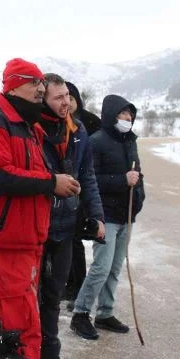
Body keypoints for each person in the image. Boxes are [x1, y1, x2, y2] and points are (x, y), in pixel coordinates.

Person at [0, 58, 81, 359]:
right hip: (7, 239)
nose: (41, 88)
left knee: (14, 317)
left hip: (27, 237)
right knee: (22, 322)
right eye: (34, 82)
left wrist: (58, 181)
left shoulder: (28, 127)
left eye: (43, 82)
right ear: (14, 85)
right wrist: (50, 182)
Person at [38, 73, 105, 359]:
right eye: (58, 97)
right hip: (35, 226)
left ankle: (50, 355)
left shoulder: (77, 129)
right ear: (44, 99)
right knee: (30, 296)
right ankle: (25, 351)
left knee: (54, 296)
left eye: (67, 95)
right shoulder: (32, 130)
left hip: (66, 226)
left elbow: (87, 175)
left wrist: (96, 215)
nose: (66, 102)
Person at [70, 94, 146, 340]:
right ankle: (80, 313)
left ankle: (105, 312)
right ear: (112, 114)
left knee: (114, 268)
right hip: (107, 214)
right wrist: (122, 180)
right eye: (124, 114)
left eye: (131, 114)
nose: (128, 118)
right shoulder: (97, 142)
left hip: (126, 215)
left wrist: (139, 198)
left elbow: (137, 173)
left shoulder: (130, 141)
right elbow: (90, 180)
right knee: (101, 267)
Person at [63, 81, 102, 307]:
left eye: (71, 97)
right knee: (63, 242)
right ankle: (67, 284)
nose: (67, 103)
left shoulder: (88, 123)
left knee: (75, 242)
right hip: (63, 193)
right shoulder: (56, 123)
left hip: (81, 192)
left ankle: (77, 285)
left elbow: (90, 166)